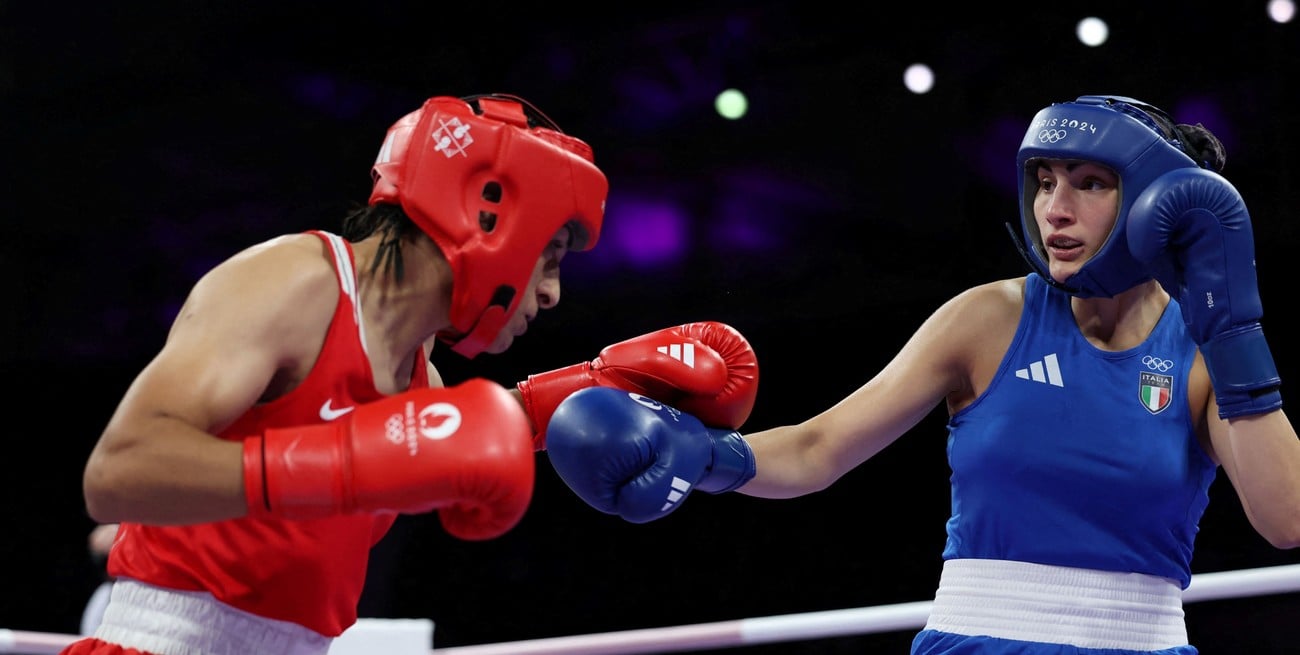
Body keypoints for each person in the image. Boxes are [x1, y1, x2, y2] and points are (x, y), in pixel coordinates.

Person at [543, 94, 1300, 654]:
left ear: (1157, 201)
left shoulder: (1202, 348)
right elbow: (818, 447)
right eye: (1044, 181)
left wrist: (1234, 331)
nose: (1055, 210)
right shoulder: (987, 318)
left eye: (1089, 183)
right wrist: (704, 455)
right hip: (974, 639)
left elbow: (1285, 518)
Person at [63, 93, 759, 655]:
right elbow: (117, 470)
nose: (551, 294)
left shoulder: (418, 375)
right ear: (492, 214)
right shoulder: (295, 282)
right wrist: (340, 463)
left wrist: (586, 388)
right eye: (550, 256)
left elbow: (439, 438)